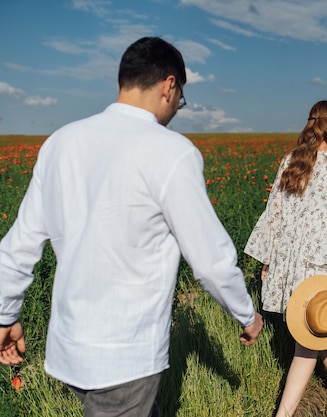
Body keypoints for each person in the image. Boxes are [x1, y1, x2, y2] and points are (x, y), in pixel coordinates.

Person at [0, 36, 263, 417]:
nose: (176, 108)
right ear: (169, 86)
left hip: (70, 348)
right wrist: (246, 314)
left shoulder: (61, 143)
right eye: (180, 99)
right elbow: (210, 261)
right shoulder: (171, 152)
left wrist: (5, 315)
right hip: (123, 356)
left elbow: (18, 246)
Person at [244, 100, 327, 416]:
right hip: (319, 263)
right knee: (308, 342)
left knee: (319, 321)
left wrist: (269, 261)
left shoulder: (291, 161)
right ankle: (283, 415)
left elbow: (274, 214)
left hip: (289, 260)